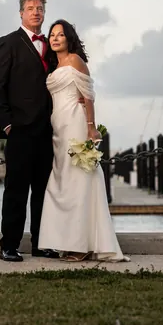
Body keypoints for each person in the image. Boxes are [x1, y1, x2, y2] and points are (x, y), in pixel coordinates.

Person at [37, 19, 129, 262]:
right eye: (52, 35)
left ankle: (82, 245)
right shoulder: (51, 67)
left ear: (69, 38)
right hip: (58, 127)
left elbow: (88, 96)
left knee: (79, 182)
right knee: (61, 184)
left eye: (60, 35)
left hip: (76, 125)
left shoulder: (76, 61)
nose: (55, 38)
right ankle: (67, 241)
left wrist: (90, 128)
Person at [0, 0, 61, 262]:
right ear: (21, 13)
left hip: (47, 132)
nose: (36, 12)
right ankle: (9, 245)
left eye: (40, 8)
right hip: (19, 130)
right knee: (16, 190)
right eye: (30, 8)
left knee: (44, 191)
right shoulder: (8, 43)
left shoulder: (52, 47)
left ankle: (41, 243)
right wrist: (7, 125)